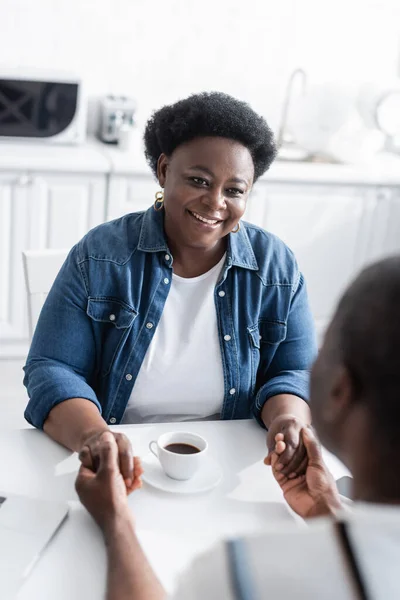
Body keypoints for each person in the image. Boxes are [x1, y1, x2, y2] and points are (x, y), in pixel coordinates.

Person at [24, 91, 316, 487]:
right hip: (119, 452)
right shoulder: (100, 255)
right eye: (198, 180)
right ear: (163, 171)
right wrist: (95, 436)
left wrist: (287, 420)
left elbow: (293, 370)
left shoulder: (275, 266)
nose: (215, 202)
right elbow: (53, 368)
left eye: (234, 190)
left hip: (226, 463)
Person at [76, 256, 400, 599]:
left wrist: (116, 522)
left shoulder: (245, 573)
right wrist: (324, 509)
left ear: (340, 390)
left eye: (324, 348)